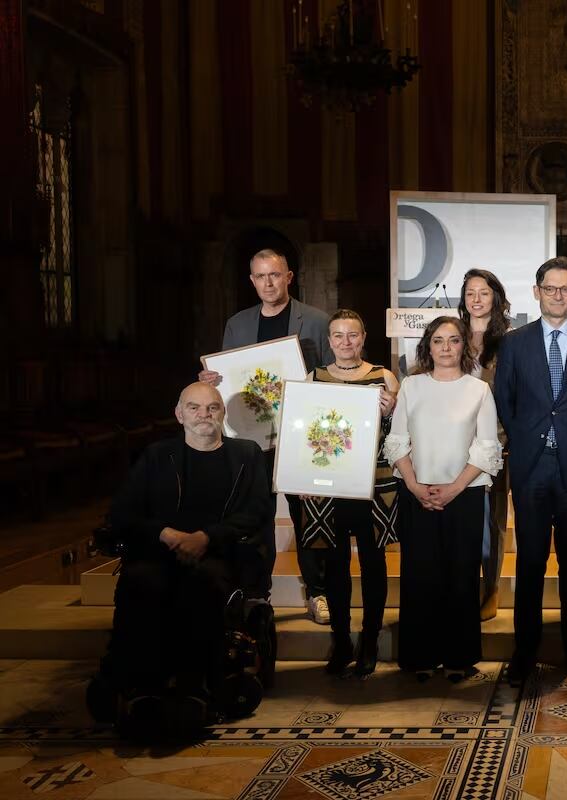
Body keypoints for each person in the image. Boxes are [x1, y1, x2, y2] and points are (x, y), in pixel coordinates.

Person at [107, 382, 272, 729]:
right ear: (179, 414)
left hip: (219, 554)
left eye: (212, 408)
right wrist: (166, 535)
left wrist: (206, 537)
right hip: (160, 553)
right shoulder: (156, 455)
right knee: (141, 582)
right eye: (194, 408)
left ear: (223, 414)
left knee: (202, 585)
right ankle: (144, 689)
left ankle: (195, 688)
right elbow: (124, 512)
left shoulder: (246, 454)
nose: (204, 415)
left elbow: (256, 511)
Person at [198, 248, 334, 623]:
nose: (268, 283)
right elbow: (228, 377)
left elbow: (329, 375)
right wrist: (210, 380)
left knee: (307, 515)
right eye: (260, 276)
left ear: (289, 277)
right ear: (252, 281)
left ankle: (318, 593)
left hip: (300, 436)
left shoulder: (317, 321)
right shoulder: (237, 324)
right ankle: (258, 595)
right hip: (254, 440)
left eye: (274, 275)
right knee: (256, 517)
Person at [494, 257, 567, 684]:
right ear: (537, 291)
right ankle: (524, 651)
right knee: (530, 565)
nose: (558, 296)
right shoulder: (514, 343)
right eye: (551, 288)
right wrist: (531, 437)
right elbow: (505, 403)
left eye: (566, 289)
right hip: (531, 471)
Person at [386, 317, 503, 681]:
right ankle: (420, 656)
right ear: (428, 346)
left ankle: (458, 656)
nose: (446, 348)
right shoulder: (412, 386)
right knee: (421, 576)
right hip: (417, 494)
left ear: (463, 346)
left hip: (463, 496)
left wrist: (452, 489)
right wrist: (415, 485)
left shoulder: (478, 390)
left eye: (454, 340)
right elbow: (397, 442)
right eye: (438, 341)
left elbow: (487, 449)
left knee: (460, 577)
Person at [299, 310, 401, 679]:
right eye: (338, 335)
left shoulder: (383, 377)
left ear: (363, 337)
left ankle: (370, 640)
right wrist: (306, 478)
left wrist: (392, 413)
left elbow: (399, 434)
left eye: (353, 335)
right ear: (329, 340)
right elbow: (305, 432)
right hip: (329, 487)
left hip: (374, 484)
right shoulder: (315, 378)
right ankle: (341, 641)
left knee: (374, 565)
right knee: (336, 566)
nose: (346, 342)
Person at [458, 268, 514, 622]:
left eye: (483, 292)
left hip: (496, 442)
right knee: (460, 520)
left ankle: (490, 588)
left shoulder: (511, 339)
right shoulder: (451, 335)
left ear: (495, 296)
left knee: (490, 522)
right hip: (453, 443)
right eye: (470, 293)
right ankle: (462, 586)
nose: (476, 299)